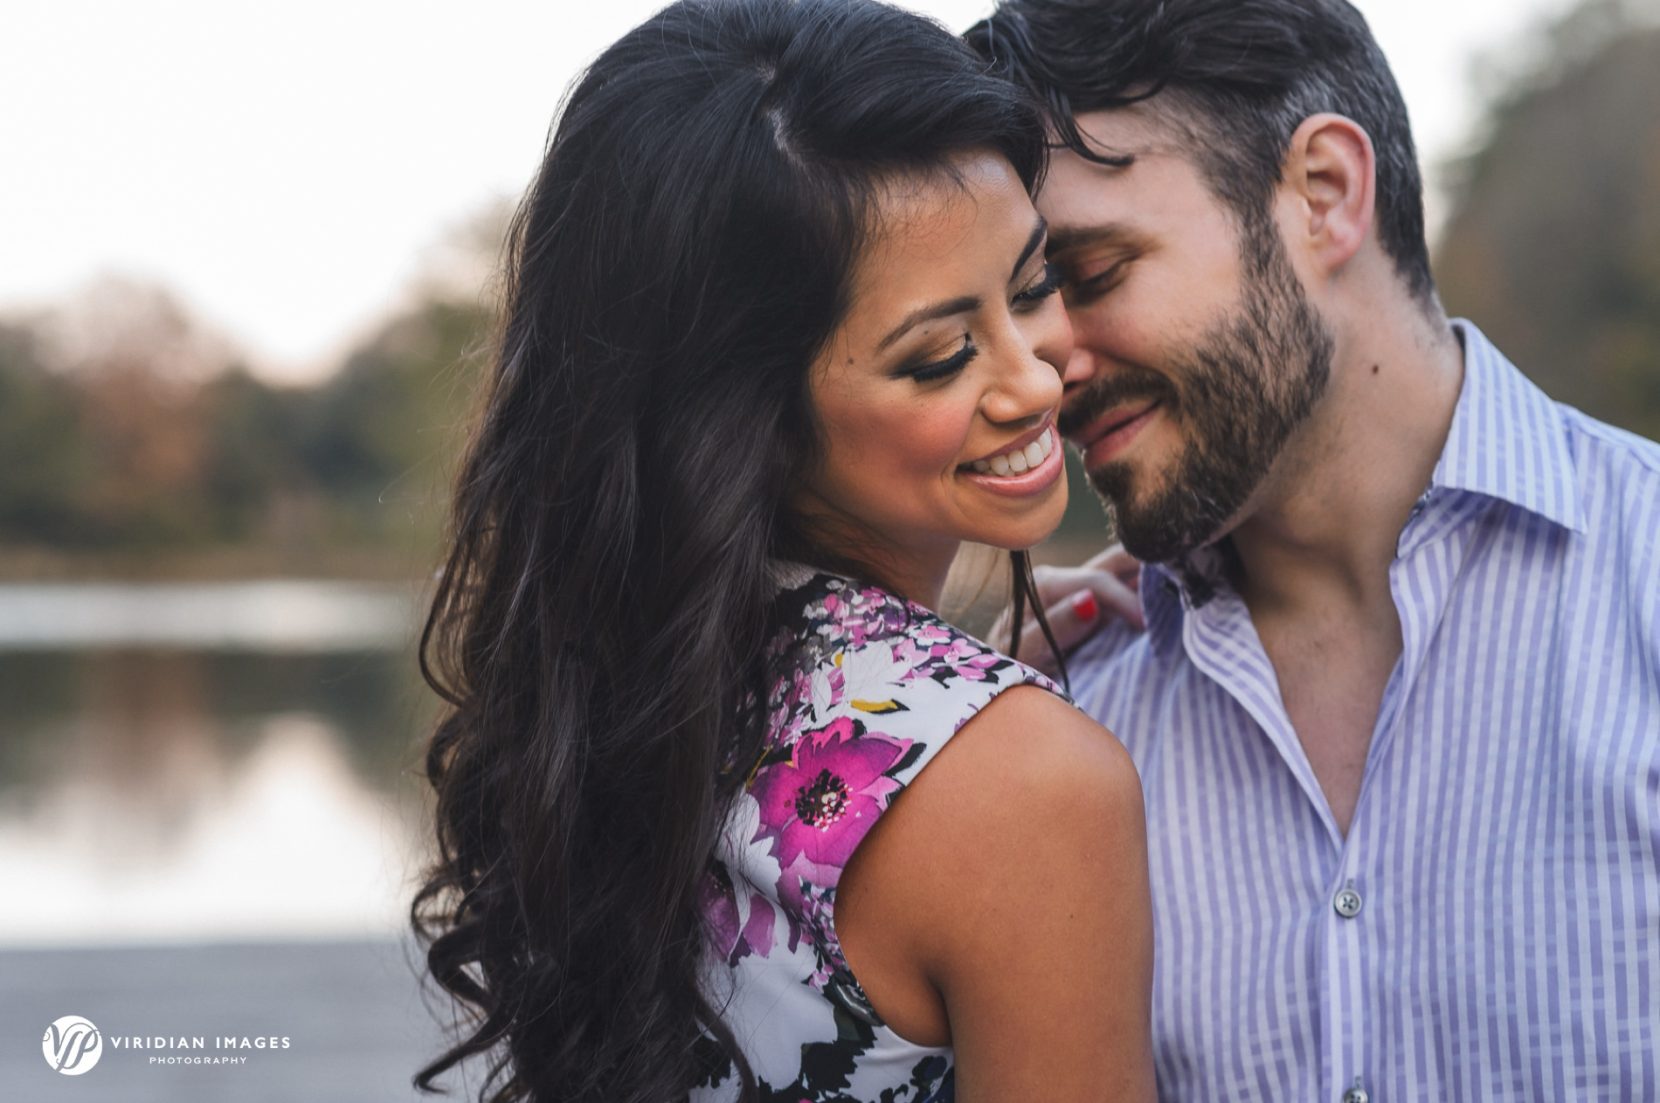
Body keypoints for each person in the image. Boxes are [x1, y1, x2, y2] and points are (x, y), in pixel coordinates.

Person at [411, 2, 1156, 1100]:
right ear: (741, 411)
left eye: (1035, 285)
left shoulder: (624, 690)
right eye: (942, 354)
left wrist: (965, 686)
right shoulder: (1029, 787)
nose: (1037, 376)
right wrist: (977, 723)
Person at [968, 1, 1660, 1100]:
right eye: (1020, 313)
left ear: (1323, 195)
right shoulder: (1059, 718)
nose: (1047, 374)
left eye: (1091, 274)